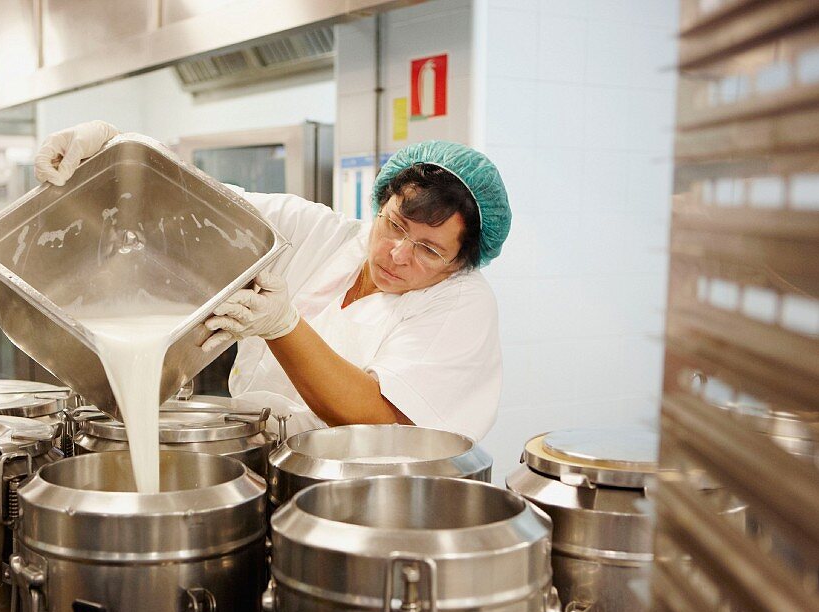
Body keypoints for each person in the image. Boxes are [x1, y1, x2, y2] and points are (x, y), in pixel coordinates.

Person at [35, 122, 510, 441]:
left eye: (429, 250)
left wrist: (284, 326)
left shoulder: (461, 306)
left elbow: (381, 422)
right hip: (259, 459)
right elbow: (202, 203)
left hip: (360, 504)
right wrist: (118, 148)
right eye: (395, 226)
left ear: (461, 262)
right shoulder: (321, 235)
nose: (397, 254)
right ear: (380, 204)